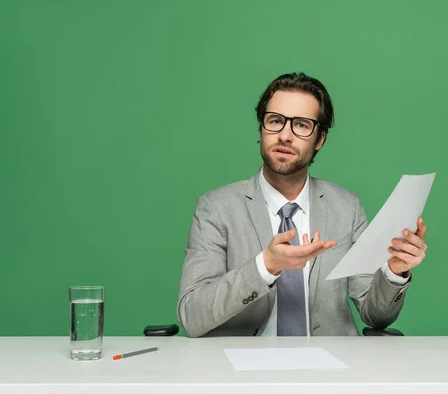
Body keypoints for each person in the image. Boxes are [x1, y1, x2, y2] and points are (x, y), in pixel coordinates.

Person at [177, 72, 428, 337]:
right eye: (275, 121)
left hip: (330, 369)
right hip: (247, 371)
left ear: (320, 139)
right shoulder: (216, 208)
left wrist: (394, 272)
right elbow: (193, 315)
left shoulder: (347, 207)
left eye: (301, 125)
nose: (285, 135)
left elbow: (375, 315)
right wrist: (265, 266)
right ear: (261, 129)